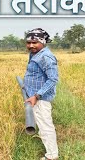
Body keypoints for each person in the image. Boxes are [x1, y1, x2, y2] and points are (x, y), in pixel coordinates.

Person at [23, 28, 59, 160]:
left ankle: (52, 156)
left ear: (42, 42)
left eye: (35, 42)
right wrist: (25, 85)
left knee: (45, 127)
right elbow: (35, 74)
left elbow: (53, 79)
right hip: (34, 96)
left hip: (40, 99)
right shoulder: (35, 54)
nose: (31, 45)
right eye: (28, 42)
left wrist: (37, 96)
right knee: (43, 125)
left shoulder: (45, 56)